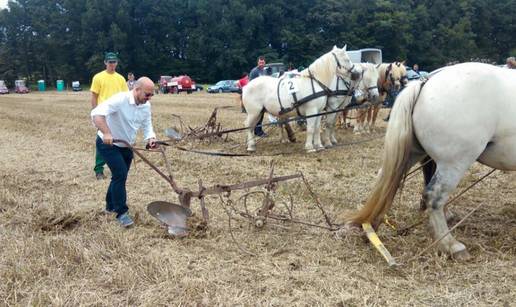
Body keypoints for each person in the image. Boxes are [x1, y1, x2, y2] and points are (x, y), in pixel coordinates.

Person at [91, 77, 158, 227]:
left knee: (119, 176)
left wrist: (151, 138)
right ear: (137, 89)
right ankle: (121, 212)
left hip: (126, 145)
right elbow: (97, 114)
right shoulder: (120, 100)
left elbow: (147, 124)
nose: (149, 98)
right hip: (108, 143)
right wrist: (107, 132)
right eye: (147, 94)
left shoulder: (145, 106)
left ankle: (109, 206)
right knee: (120, 174)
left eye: (152, 95)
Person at [90, 52, 129, 180]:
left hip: (117, 114)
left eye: (114, 62)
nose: (112, 64)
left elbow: (126, 97)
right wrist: (95, 113)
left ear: (117, 63)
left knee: (118, 141)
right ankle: (99, 169)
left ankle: (117, 167)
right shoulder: (98, 77)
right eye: (110, 62)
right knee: (102, 140)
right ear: (105, 62)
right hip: (103, 114)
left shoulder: (121, 78)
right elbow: (94, 96)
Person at [248, 56, 271, 137]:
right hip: (256, 96)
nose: (261, 63)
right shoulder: (254, 71)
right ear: (258, 63)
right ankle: (257, 131)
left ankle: (258, 130)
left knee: (261, 115)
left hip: (263, 96)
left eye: (263, 62)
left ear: (265, 63)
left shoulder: (264, 71)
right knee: (257, 114)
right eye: (260, 62)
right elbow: (250, 84)